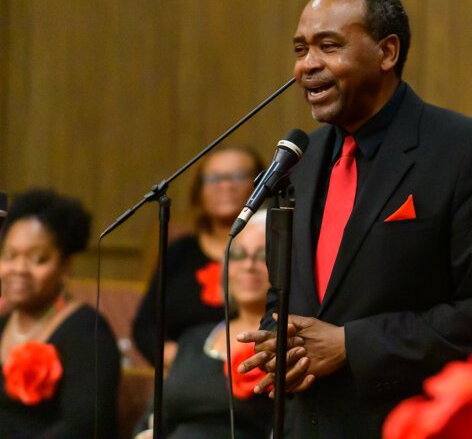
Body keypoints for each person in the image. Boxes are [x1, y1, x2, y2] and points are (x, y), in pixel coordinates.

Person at [237, 0, 472, 438]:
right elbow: (283, 296)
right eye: (300, 49)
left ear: (387, 52)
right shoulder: (300, 161)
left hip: (407, 424)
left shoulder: (466, 151)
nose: (306, 65)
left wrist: (352, 345)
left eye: (328, 46)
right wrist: (281, 344)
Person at [134, 211, 273, 438]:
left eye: (263, 255)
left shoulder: (286, 344)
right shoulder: (194, 339)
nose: (249, 265)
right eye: (238, 255)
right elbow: (155, 417)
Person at [0, 188, 121, 437]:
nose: (19, 269)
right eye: (9, 256)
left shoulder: (88, 332)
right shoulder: (3, 323)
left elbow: (84, 427)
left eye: (37, 259)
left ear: (65, 267)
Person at [132, 145, 265, 367]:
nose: (226, 185)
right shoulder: (179, 251)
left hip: (252, 370)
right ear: (199, 191)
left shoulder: (279, 250)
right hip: (184, 371)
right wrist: (189, 363)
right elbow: (146, 326)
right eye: (214, 178)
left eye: (238, 176)